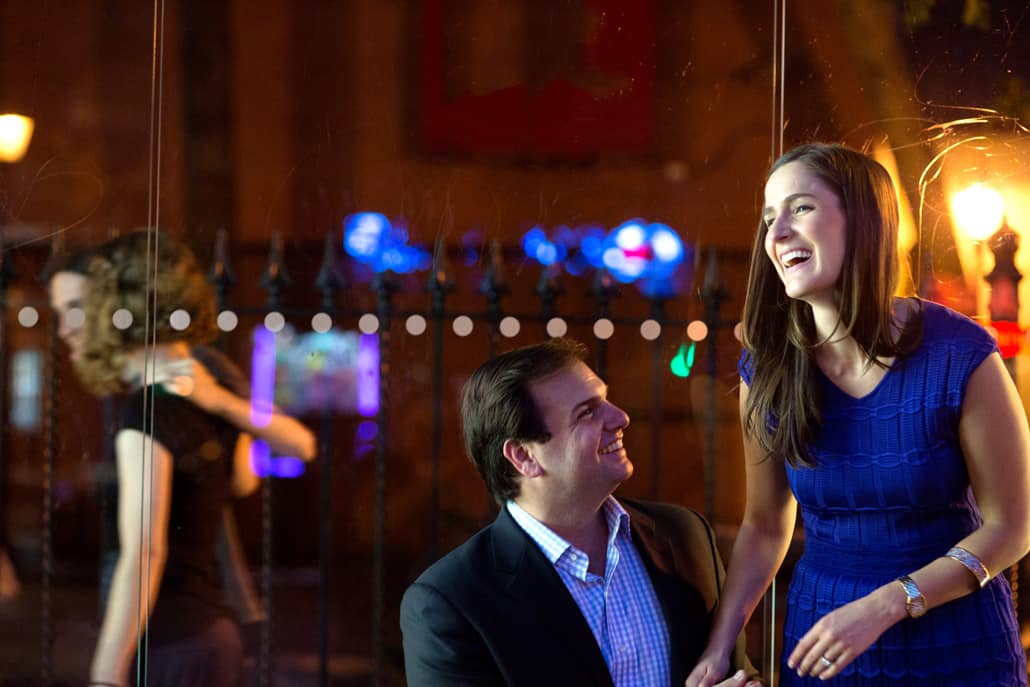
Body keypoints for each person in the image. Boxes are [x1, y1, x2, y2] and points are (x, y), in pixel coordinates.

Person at [685, 143, 1030, 687]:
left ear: (863, 221)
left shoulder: (961, 354)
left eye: (800, 208)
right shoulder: (770, 368)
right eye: (770, 218)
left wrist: (889, 604)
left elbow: (1012, 529)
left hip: (960, 647)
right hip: (823, 649)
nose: (776, 236)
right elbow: (764, 525)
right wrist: (721, 646)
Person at [400, 338, 762, 687]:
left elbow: (737, 672)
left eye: (606, 400)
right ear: (524, 456)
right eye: (587, 412)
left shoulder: (685, 534)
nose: (620, 418)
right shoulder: (452, 603)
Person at [48, 237, 316, 623]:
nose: (67, 328)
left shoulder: (196, 367)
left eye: (77, 308)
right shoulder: (128, 379)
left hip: (195, 605)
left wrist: (219, 405)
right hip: (163, 608)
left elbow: (288, 452)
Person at [69, 231, 258, 686]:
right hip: (212, 632)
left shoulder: (146, 411)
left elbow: (145, 551)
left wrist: (104, 674)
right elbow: (244, 481)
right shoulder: (203, 399)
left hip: (171, 644)